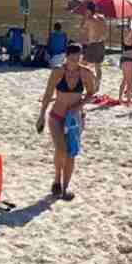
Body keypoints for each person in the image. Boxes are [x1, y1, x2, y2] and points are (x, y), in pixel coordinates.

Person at [36, 43, 96, 200]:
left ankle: (65, 188)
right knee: (61, 149)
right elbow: (48, 93)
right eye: (73, 56)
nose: (76, 60)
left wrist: (78, 106)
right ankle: (56, 179)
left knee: (71, 153)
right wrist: (41, 116)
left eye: (78, 56)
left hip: (75, 119)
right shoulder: (58, 71)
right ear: (67, 56)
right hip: (56, 116)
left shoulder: (86, 73)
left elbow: (91, 93)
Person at [117, 25, 132, 100]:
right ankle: (128, 101)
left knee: (125, 80)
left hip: (126, 61)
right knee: (130, 82)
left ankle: (120, 98)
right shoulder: (127, 39)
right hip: (128, 61)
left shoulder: (131, 40)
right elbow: (130, 34)